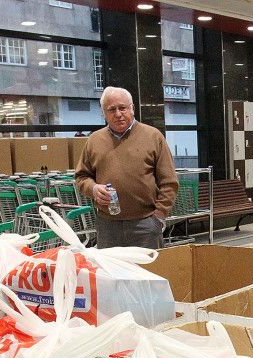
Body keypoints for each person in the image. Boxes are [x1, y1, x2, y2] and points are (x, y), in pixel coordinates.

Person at [74, 87, 178, 249]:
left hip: (146, 224)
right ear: (104, 113)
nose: (118, 114)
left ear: (132, 109)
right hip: (107, 226)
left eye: (122, 108)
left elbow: (169, 182)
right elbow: (81, 177)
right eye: (111, 109)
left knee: (148, 274)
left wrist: (158, 217)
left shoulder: (153, 136)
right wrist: (93, 189)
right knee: (111, 274)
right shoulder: (94, 140)